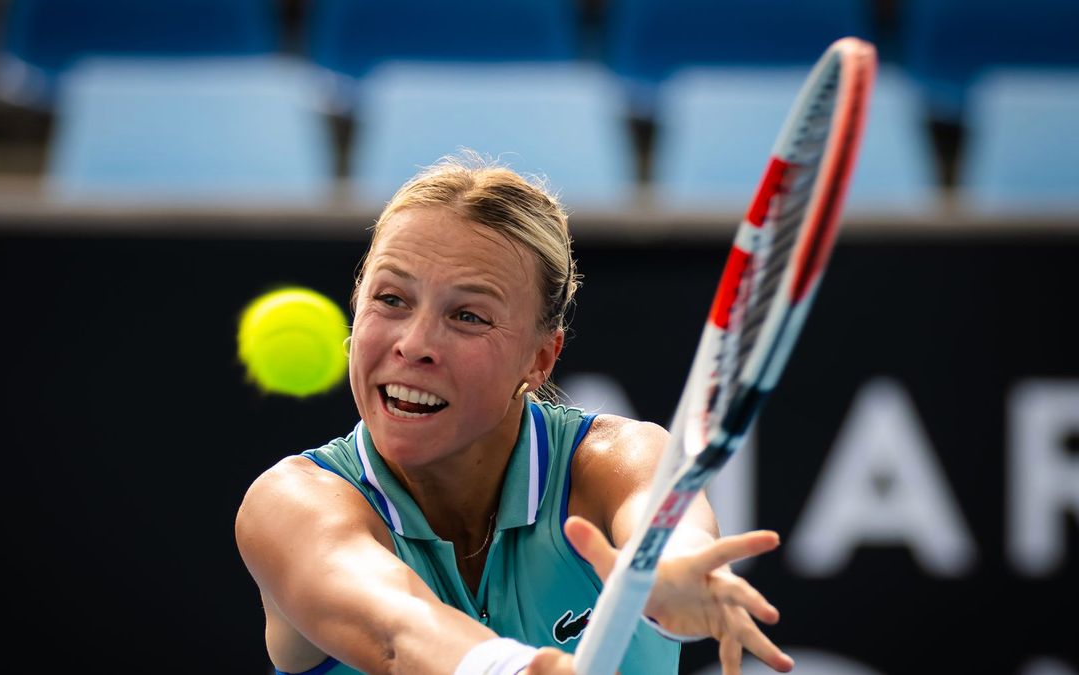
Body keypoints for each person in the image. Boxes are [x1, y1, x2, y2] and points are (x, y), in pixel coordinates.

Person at [236, 155, 795, 675]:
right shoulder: (291, 506)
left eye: (468, 316)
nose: (415, 343)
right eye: (391, 299)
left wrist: (673, 568)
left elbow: (662, 521)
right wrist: (511, 668)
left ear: (540, 358)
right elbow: (393, 629)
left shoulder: (616, 460)